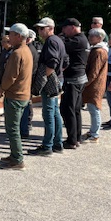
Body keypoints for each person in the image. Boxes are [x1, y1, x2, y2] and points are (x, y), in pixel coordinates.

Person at [0, 24, 33, 170]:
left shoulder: (17, 53)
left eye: (11, 34)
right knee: (13, 128)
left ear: (18, 36)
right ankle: (14, 155)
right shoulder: (26, 50)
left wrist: (1, 89)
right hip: (22, 95)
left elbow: (11, 76)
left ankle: (17, 160)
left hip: (15, 96)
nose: (8, 36)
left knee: (12, 129)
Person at [29, 18, 67, 156]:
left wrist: (44, 78)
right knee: (54, 112)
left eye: (42, 28)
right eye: (38, 28)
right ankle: (57, 143)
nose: (39, 31)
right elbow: (65, 61)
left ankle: (47, 146)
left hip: (51, 81)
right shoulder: (58, 40)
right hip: (57, 79)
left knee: (49, 113)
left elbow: (52, 62)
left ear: (50, 28)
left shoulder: (51, 41)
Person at [60, 18, 90, 149]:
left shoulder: (78, 40)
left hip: (74, 79)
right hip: (79, 78)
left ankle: (72, 140)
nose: (63, 31)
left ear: (72, 27)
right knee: (75, 109)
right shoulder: (81, 39)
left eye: (64, 28)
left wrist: (60, 36)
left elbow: (62, 44)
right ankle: (76, 138)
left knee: (68, 109)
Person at [81, 28, 108, 142]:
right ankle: (93, 131)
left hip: (95, 85)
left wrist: (85, 83)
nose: (89, 38)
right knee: (92, 109)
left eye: (92, 36)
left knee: (94, 109)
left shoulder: (99, 51)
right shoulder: (97, 50)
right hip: (94, 84)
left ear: (99, 38)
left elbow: (94, 71)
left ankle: (95, 134)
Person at [20, 29, 40, 138]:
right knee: (27, 104)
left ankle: (24, 128)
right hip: (30, 79)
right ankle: (25, 127)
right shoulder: (31, 49)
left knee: (25, 105)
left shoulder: (29, 50)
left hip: (28, 80)